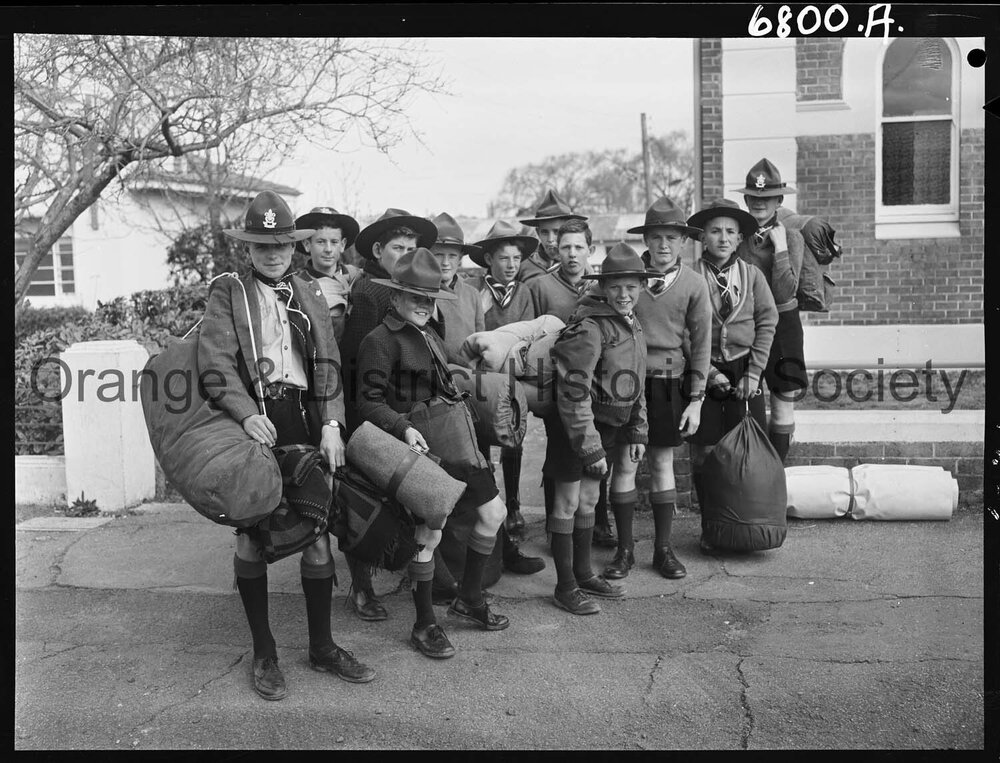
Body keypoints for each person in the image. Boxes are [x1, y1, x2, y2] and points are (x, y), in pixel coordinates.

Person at [199, 190, 375, 701]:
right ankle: (264, 652)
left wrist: (333, 424)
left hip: (303, 421)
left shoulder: (310, 291)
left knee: (316, 532)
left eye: (280, 244)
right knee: (252, 535)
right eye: (261, 244)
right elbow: (215, 364)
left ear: (292, 246)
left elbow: (327, 365)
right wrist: (247, 414)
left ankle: (322, 646)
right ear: (247, 248)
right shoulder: (229, 293)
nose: (272, 253)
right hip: (252, 421)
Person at [356, 248, 512, 658]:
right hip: (420, 449)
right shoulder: (380, 340)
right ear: (395, 298)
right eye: (415, 298)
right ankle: (425, 625)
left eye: (430, 298)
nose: (424, 305)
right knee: (429, 533)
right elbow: (367, 403)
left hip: (458, 442)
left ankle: (470, 599)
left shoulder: (430, 334)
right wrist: (402, 427)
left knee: (494, 514)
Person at [428, 213, 544, 580]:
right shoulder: (421, 291)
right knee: (451, 479)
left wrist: (485, 388)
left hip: (475, 393)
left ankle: (501, 550)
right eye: (439, 255)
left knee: (485, 471)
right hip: (438, 398)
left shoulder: (468, 294)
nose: (446, 263)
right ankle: (445, 567)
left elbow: (481, 345)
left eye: (452, 255)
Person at [339, 208, 438, 622]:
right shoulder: (369, 293)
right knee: (366, 502)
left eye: (412, 248)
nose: (405, 254)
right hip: (369, 411)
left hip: (405, 411)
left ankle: (415, 571)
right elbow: (360, 363)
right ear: (378, 251)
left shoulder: (412, 292)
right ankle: (362, 586)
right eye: (398, 248)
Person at [606, 197, 711, 581]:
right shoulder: (629, 280)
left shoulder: (695, 285)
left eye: (671, 237)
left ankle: (663, 550)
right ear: (646, 240)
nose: (663, 245)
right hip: (625, 383)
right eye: (656, 237)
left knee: (662, 463)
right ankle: (624, 551)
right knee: (626, 463)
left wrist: (696, 400)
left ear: (683, 241)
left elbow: (701, 347)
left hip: (669, 384)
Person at [544, 243, 650, 615]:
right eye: (616, 286)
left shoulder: (632, 324)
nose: (624, 294)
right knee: (568, 502)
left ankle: (584, 572)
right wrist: (589, 447)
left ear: (641, 287)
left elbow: (635, 379)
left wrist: (637, 429)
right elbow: (572, 393)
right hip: (575, 428)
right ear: (603, 287)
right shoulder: (589, 327)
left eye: (631, 287)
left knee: (590, 501)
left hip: (606, 427)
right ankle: (565, 586)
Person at [685, 199, 778, 554]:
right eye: (714, 231)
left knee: (747, 451)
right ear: (702, 238)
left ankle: (745, 525)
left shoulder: (752, 276)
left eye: (729, 232)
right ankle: (712, 525)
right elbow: (682, 330)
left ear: (739, 238)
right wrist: (707, 373)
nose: (722, 238)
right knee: (706, 451)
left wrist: (753, 373)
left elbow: (768, 321)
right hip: (703, 368)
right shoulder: (691, 277)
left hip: (744, 370)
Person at [529, 218, 616, 549]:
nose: (572, 254)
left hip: (600, 384)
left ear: (590, 250)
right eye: (565, 247)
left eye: (579, 247)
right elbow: (531, 334)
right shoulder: (541, 286)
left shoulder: (603, 285)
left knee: (597, 451)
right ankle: (557, 526)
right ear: (556, 250)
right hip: (558, 383)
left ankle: (600, 522)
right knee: (559, 456)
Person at [469, 220, 539, 536]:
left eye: (515, 258)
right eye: (503, 258)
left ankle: (513, 508)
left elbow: (531, 334)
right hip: (482, 381)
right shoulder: (475, 292)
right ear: (489, 260)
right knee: (481, 444)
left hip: (512, 378)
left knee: (514, 443)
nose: (510, 265)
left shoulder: (524, 293)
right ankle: (487, 506)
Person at [736, 159, 807, 464]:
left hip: (783, 326)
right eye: (753, 198)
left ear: (779, 201)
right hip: (748, 326)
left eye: (766, 199)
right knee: (749, 401)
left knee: (782, 405)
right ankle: (757, 479)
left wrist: (779, 249)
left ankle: (777, 474)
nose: (759, 204)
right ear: (746, 200)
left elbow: (785, 291)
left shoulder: (792, 238)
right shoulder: (737, 239)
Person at [294, 206, 361, 345]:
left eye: (334, 242)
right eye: (320, 242)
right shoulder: (298, 284)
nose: (328, 249)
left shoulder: (355, 275)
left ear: (342, 245)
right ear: (307, 244)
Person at [516, 189, 586, 283]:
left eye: (556, 232)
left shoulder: (580, 266)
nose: (550, 239)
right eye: (545, 232)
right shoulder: (523, 267)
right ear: (538, 232)